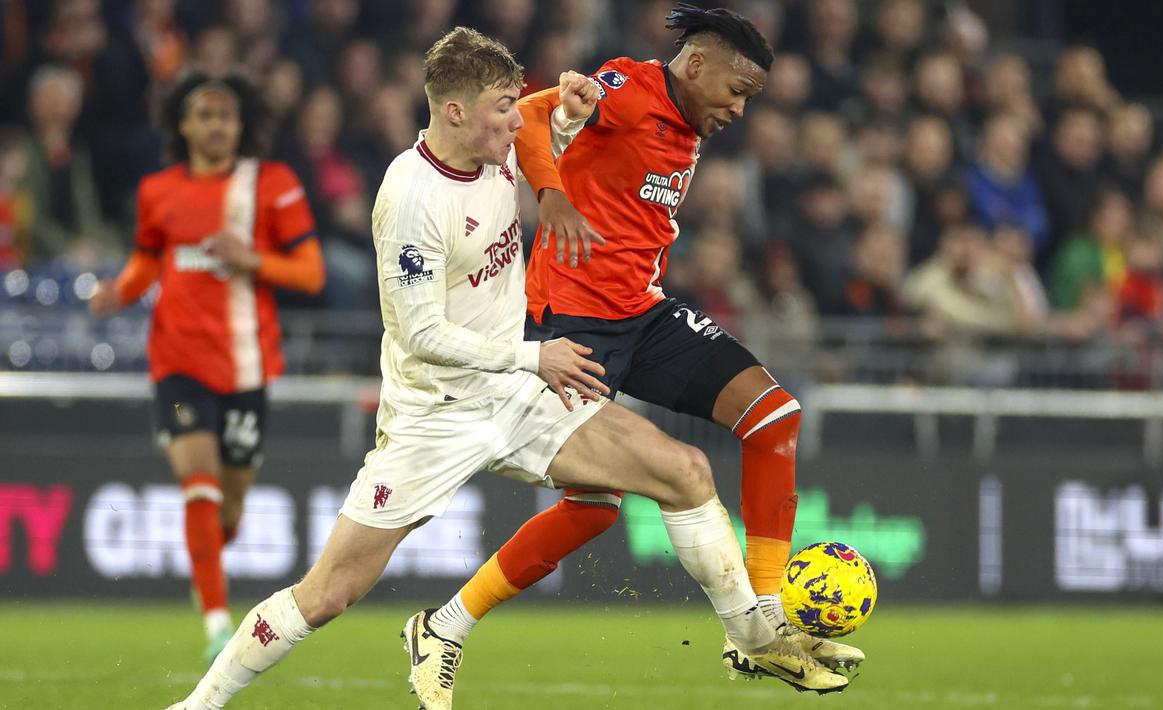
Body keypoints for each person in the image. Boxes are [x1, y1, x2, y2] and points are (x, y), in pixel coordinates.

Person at [166, 28, 846, 710]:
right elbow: (421, 334)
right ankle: (197, 706)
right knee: (329, 595)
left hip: (517, 395)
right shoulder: (410, 198)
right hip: (435, 414)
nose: (517, 119)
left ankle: (755, 640)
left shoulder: (494, 153)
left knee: (685, 473)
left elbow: (553, 129)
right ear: (455, 112)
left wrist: (572, 114)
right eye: (502, 107)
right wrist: (532, 354)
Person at [417, 4, 864, 687]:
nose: (739, 111)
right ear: (693, 65)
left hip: (642, 313)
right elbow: (533, 118)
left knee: (774, 416)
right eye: (736, 91)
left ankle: (764, 617)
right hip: (570, 326)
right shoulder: (624, 89)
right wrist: (552, 196)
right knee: (593, 509)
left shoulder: (686, 122)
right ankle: (444, 624)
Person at [89, 73, 325, 663]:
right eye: (205, 114)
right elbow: (148, 260)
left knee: (230, 509)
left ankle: (206, 566)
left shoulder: (272, 185)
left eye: (227, 115)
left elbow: (312, 274)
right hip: (178, 362)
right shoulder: (158, 191)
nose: (217, 124)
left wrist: (254, 259)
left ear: (241, 125)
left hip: (247, 366)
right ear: (184, 125)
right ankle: (218, 624)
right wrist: (119, 291)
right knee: (198, 481)